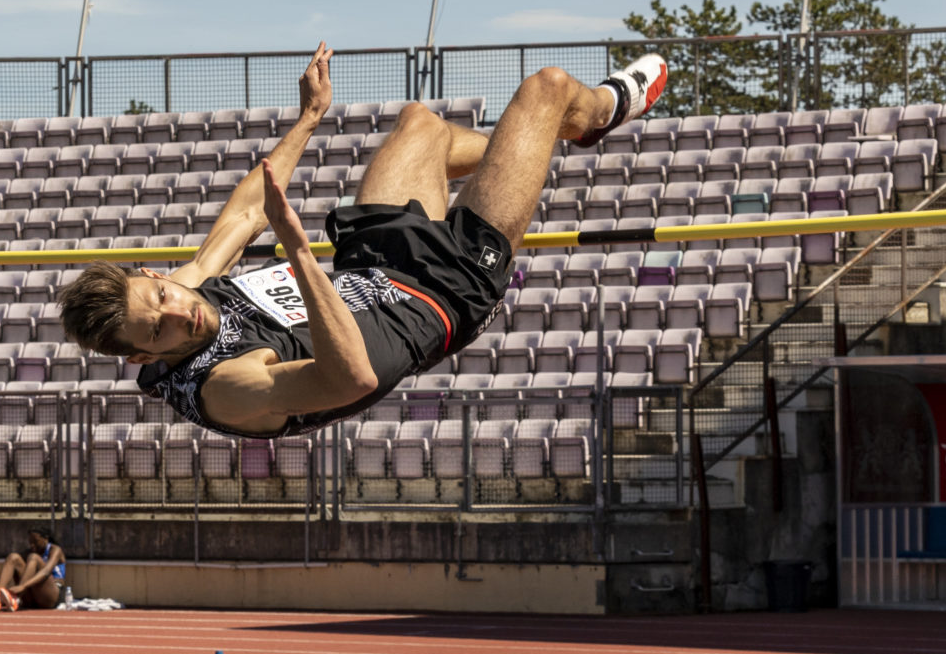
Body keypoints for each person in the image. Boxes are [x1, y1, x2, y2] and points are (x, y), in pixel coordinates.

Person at [58, 42, 667, 438]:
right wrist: (298, 248)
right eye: (158, 330)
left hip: (377, 258)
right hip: (441, 293)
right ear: (142, 357)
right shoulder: (223, 386)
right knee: (548, 87)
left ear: (156, 278)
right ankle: (602, 109)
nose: (179, 313)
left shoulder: (183, 292)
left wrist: (308, 118)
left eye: (161, 295)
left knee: (421, 125)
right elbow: (350, 379)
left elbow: (245, 216)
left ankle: (539, 142)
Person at [0, 527, 66, 612]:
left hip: (51, 597)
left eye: (35, 542)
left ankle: (15, 598)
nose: (32, 545)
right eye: (30, 543)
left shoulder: (55, 550)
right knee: (13, 557)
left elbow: (46, 571)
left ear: (46, 539)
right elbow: (10, 566)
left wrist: (23, 586)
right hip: (32, 597)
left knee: (34, 557)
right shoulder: (31, 551)